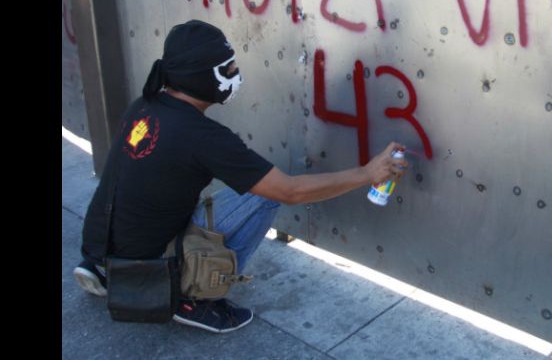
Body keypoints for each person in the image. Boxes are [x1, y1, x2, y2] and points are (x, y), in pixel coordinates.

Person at [73, 19, 408, 333]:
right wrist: (367, 173)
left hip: (102, 242)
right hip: (153, 265)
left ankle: (105, 268)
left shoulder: (145, 105)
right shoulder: (203, 136)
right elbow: (289, 191)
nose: (236, 73)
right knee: (264, 193)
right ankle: (193, 296)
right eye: (228, 68)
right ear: (202, 76)